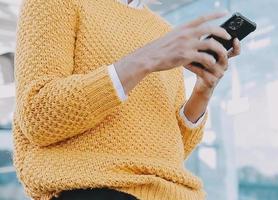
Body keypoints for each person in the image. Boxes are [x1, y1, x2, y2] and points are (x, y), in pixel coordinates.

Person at [13, 0, 241, 199]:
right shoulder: (55, 3)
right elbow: (38, 116)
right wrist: (143, 60)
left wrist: (203, 90)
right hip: (93, 188)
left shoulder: (164, 32)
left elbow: (170, 151)